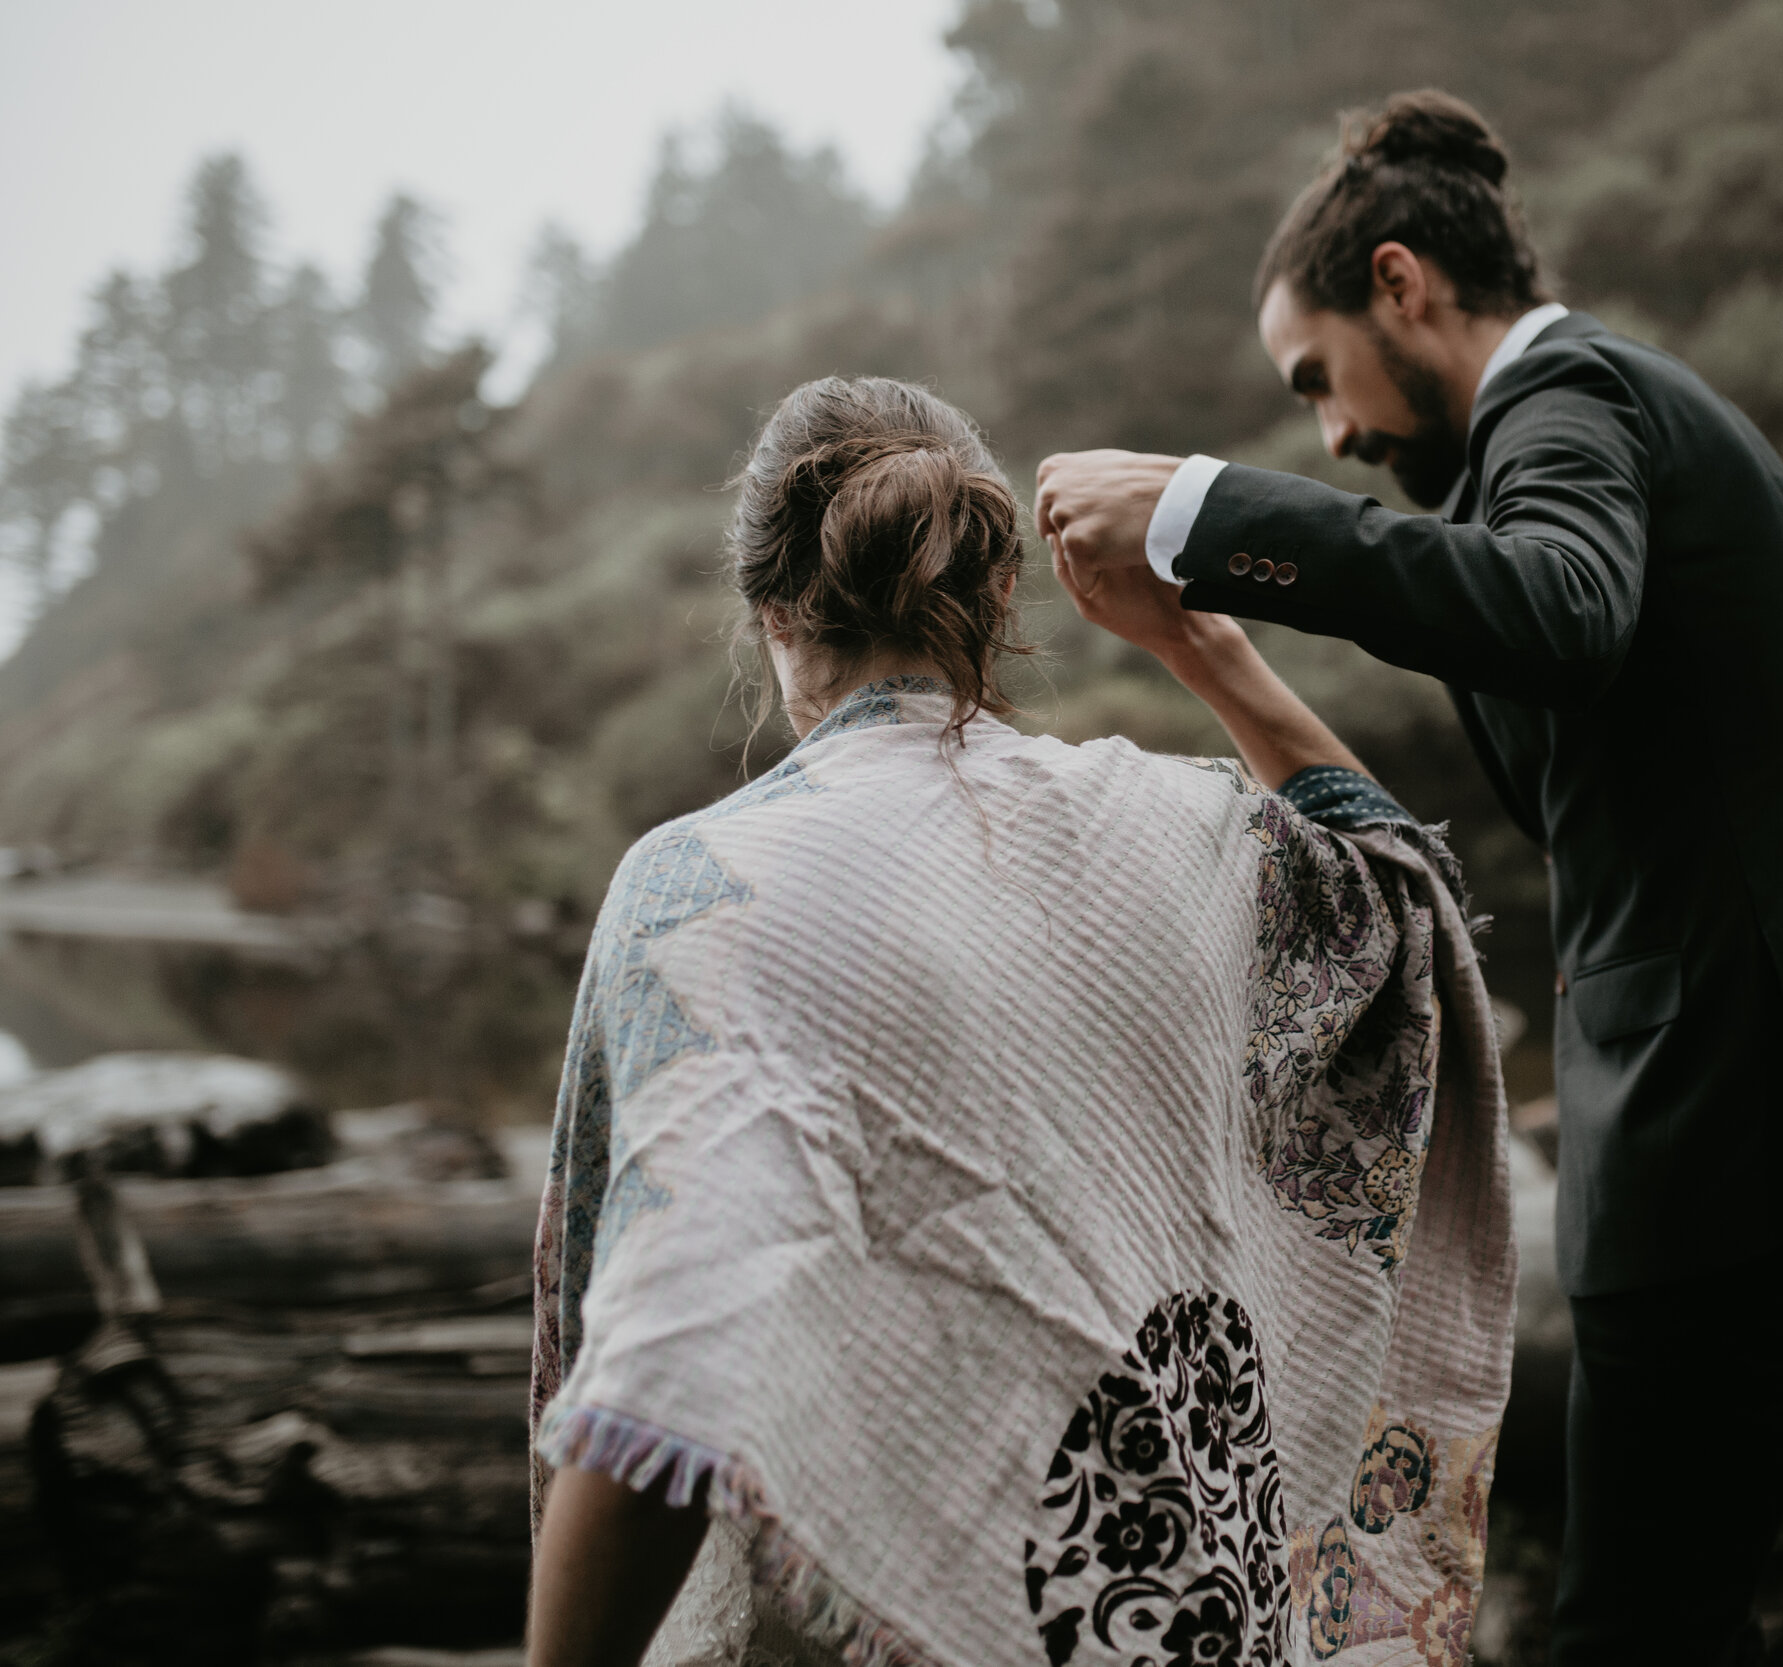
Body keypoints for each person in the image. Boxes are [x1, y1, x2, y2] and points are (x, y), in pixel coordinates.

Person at [1036, 91, 1783, 1663]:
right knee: (1680, 1604)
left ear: (1401, 286)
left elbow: (1555, 611)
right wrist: (1205, 647)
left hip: (1739, 1132)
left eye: (1316, 378)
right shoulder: (1593, 429)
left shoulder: (1570, 402)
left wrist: (1206, 507)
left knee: (1635, 1625)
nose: (1332, 430)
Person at [524, 375, 1516, 1667]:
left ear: (770, 615)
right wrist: (1200, 646)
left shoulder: (706, 891)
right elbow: (1400, 899)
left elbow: (667, 1359)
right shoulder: (1191, 832)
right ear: (998, 595)